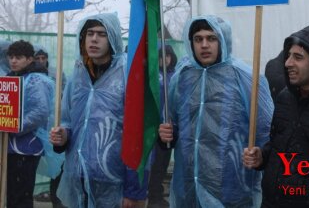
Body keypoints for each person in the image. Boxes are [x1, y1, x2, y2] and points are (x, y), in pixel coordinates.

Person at [158, 15, 274, 208]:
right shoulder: (182, 77)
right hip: (188, 186)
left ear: (223, 40)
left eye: (211, 38)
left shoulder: (246, 78)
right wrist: (166, 136)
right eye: (198, 39)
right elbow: (174, 127)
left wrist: (261, 156)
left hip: (232, 188)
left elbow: (266, 130)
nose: (204, 45)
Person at [49, 13, 148, 207]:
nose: (94, 39)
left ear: (113, 38)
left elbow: (139, 134)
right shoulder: (78, 75)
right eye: (90, 33)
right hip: (78, 178)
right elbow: (69, 120)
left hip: (114, 181)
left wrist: (134, 190)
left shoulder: (127, 75)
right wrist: (64, 135)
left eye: (101, 34)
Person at [243, 23, 309, 208]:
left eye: (298, 57)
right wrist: (261, 156)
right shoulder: (285, 98)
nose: (287, 63)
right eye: (288, 56)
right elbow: (277, 143)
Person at [5, 40, 56, 208]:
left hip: (26, 148)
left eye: (18, 57)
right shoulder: (9, 78)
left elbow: (40, 111)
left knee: (21, 195)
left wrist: (13, 127)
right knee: (10, 193)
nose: (13, 61)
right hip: (8, 147)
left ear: (29, 59)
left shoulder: (36, 81)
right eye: (11, 57)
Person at [33, 47, 67, 208]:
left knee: (57, 166)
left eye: (43, 58)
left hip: (55, 124)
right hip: (37, 130)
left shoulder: (57, 73)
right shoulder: (30, 78)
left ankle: (57, 199)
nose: (40, 61)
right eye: (37, 58)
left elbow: (65, 95)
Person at [148, 44, 178, 208]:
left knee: (163, 162)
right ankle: (153, 197)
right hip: (152, 128)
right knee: (153, 163)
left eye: (168, 55)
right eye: (161, 56)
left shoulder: (175, 76)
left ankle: (157, 195)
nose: (165, 59)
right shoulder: (154, 76)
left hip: (168, 128)